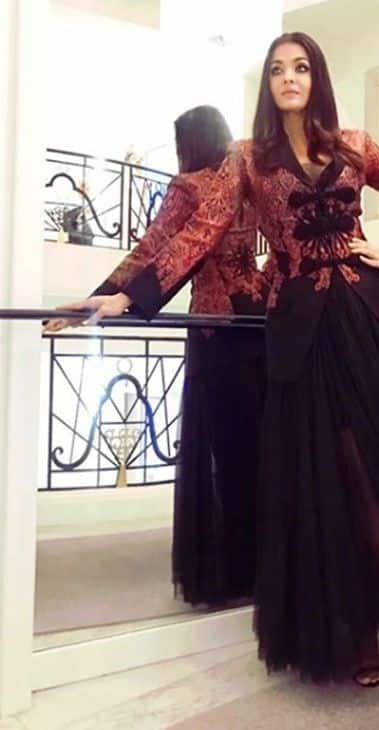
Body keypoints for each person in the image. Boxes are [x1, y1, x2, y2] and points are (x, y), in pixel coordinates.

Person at [48, 34, 379, 716]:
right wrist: (124, 297)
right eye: (278, 69)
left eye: (301, 67)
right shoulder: (248, 160)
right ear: (268, 86)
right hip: (301, 334)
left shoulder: (355, 145)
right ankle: (357, 631)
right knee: (332, 479)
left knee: (378, 473)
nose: (289, 78)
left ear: (318, 78)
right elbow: (196, 233)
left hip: (365, 323)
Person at [44, 105, 270, 607]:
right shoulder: (247, 181)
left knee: (221, 450)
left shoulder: (189, 187)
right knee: (259, 449)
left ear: (187, 143)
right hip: (259, 323)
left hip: (215, 328)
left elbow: (152, 250)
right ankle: (264, 569)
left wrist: (98, 300)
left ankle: (229, 574)